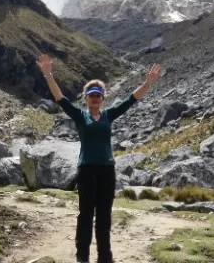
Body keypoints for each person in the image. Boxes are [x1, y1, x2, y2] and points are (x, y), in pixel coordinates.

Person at [35, 53, 161, 263]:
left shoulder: (108, 115)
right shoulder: (79, 115)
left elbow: (131, 100)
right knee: (85, 215)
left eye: (98, 95)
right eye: (91, 95)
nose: (94, 98)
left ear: (102, 98)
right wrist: (48, 75)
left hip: (106, 171)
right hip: (86, 170)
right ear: (86, 98)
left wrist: (147, 83)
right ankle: (82, 256)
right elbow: (60, 98)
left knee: (104, 216)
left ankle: (105, 257)